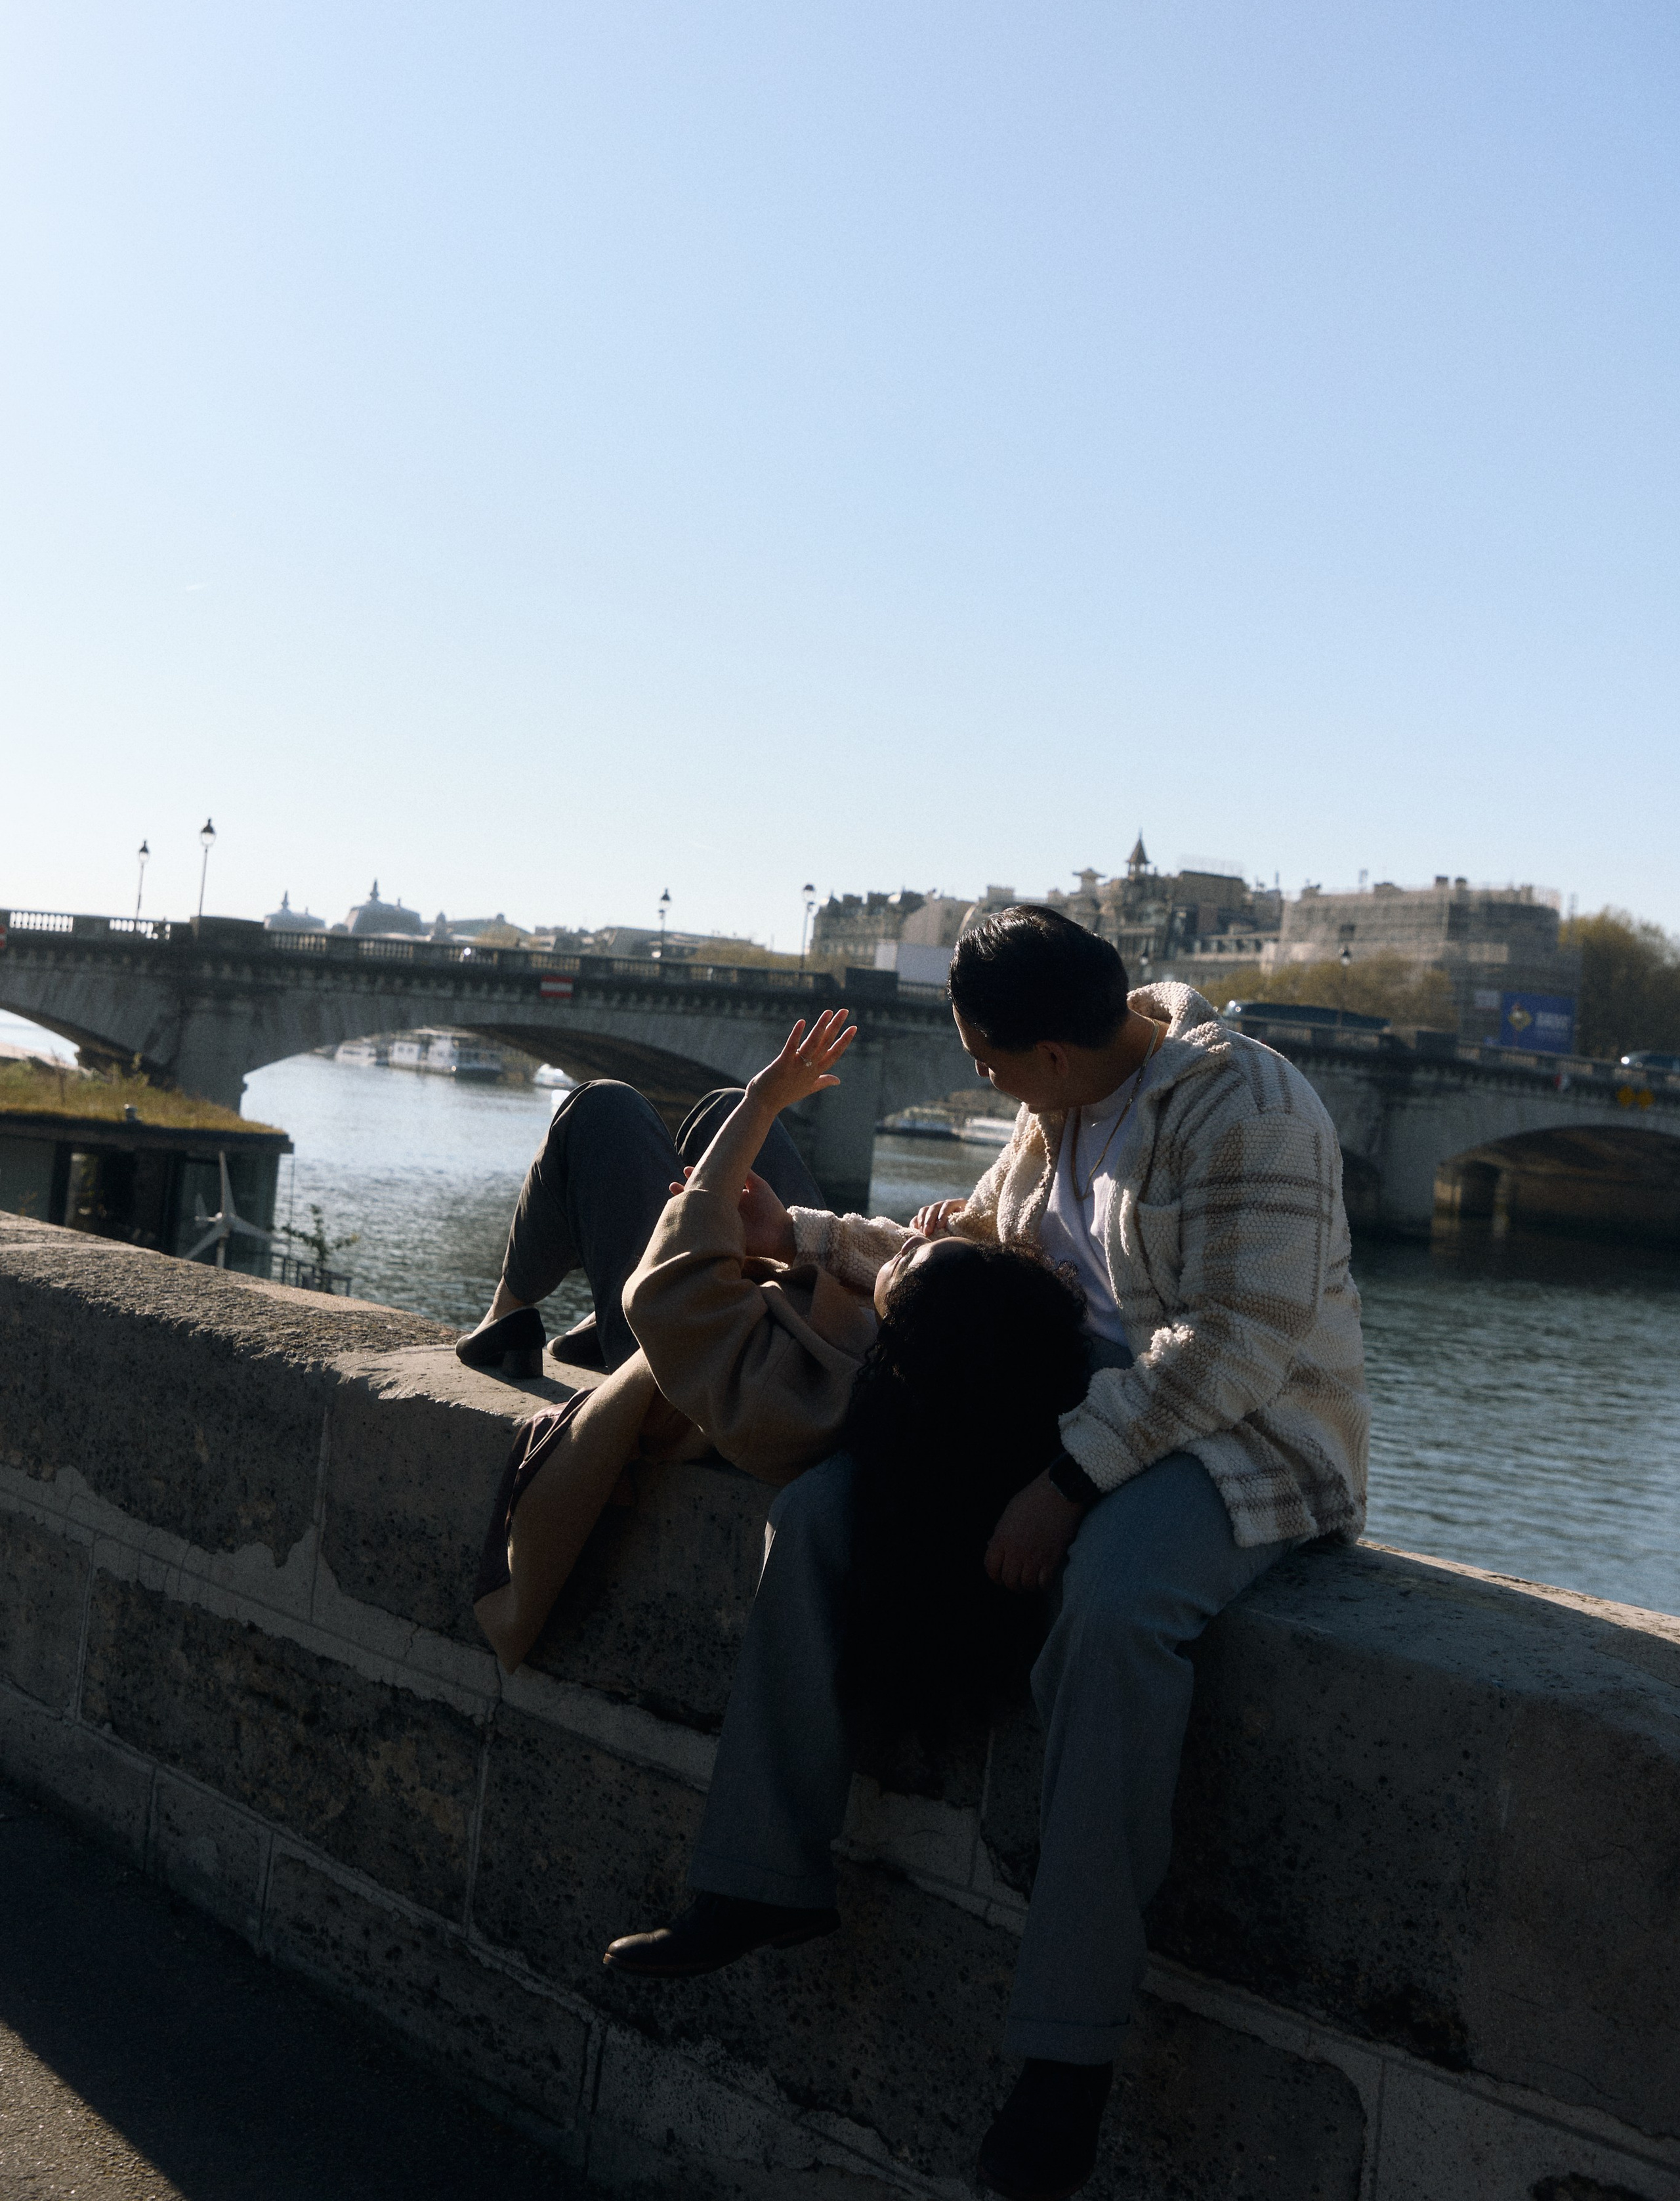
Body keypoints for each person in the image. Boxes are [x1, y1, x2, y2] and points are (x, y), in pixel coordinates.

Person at [602, 905, 1369, 2201]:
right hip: (1052, 1414)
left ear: (1055, 1053)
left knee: (1117, 1611)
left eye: (987, 1056)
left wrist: (1064, 1487)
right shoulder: (1060, 1105)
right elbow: (972, 1257)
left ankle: (1062, 2065)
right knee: (819, 1517)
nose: (978, 1077)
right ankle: (756, 1875)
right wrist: (803, 1239)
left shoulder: (1247, 1104)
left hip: (1237, 1443)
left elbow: (1238, 1344)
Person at [472, 1011, 885, 1673]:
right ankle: (556, 1314)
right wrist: (789, 1238)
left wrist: (762, 1104)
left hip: (738, 1352)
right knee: (721, 1114)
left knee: (605, 1110)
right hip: (827, 1327)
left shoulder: (737, 1368)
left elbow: (678, 1298)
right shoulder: (1067, 1150)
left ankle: (510, 1309)